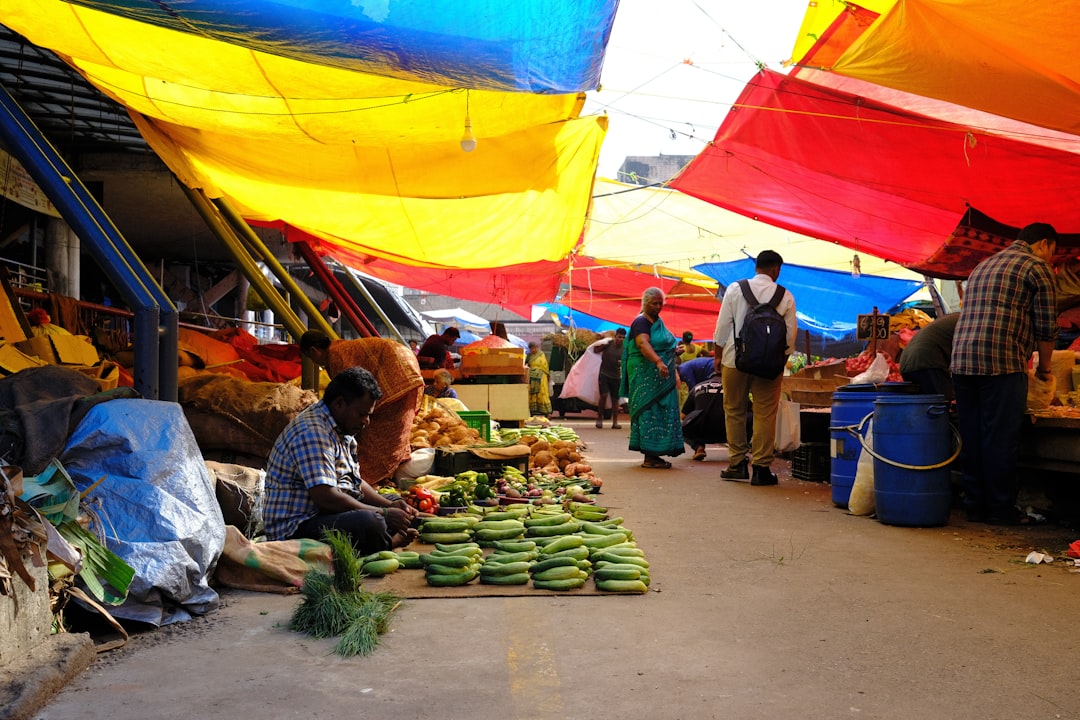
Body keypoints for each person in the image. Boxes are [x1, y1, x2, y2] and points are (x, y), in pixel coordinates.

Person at [951, 223, 1058, 526]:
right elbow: (1047, 327)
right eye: (1053, 252)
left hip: (962, 360)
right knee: (1000, 437)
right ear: (1044, 244)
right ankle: (999, 510)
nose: (1052, 259)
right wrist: (1046, 370)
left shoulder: (983, 265)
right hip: (1002, 361)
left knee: (972, 436)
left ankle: (975, 506)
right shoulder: (1036, 267)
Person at [263, 367, 419, 554]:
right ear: (339, 404)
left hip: (326, 514)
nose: (366, 421)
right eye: (362, 414)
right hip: (297, 527)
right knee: (371, 523)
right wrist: (383, 514)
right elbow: (326, 498)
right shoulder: (313, 432)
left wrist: (389, 506)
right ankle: (390, 542)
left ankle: (385, 533)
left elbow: (354, 482)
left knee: (395, 502)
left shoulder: (342, 428)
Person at [714, 250, 797, 486]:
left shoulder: (735, 289)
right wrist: (779, 360)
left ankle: (737, 464)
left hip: (734, 359)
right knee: (765, 414)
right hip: (770, 365)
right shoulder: (785, 296)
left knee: (734, 410)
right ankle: (761, 468)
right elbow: (790, 336)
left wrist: (718, 357)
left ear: (756, 267)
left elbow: (722, 327)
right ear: (775, 270)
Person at [299, 330, 424, 484]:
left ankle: (375, 477)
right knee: (385, 430)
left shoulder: (335, 356)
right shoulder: (339, 349)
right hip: (406, 366)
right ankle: (381, 477)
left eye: (311, 357)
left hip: (397, 375)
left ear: (313, 351)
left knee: (379, 433)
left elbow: (349, 397)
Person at [620, 287, 684, 468]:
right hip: (645, 375)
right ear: (645, 303)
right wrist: (658, 361)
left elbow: (661, 344)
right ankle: (649, 456)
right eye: (654, 303)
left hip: (662, 374)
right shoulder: (641, 322)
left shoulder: (658, 321)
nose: (658, 307)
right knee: (649, 410)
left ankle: (655, 454)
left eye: (660, 304)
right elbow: (642, 344)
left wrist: (672, 352)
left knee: (662, 411)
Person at [899, 313, 960, 402]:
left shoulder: (956, 318)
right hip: (927, 361)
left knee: (924, 407)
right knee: (941, 405)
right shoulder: (967, 322)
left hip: (907, 362)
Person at [592, 327, 626, 429]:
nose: (621, 339)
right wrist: (601, 343)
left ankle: (615, 422)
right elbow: (595, 350)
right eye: (619, 337)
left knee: (615, 400)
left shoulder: (625, 348)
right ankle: (599, 419)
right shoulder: (608, 344)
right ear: (615, 336)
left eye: (623, 338)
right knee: (604, 395)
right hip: (604, 374)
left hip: (616, 376)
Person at [526, 341, 551, 417]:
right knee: (532, 394)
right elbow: (526, 364)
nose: (533, 350)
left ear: (537, 347)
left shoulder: (541, 354)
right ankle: (533, 411)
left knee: (542, 393)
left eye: (534, 348)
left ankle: (547, 412)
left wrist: (547, 375)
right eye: (531, 348)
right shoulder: (529, 355)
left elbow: (545, 365)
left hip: (541, 376)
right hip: (531, 377)